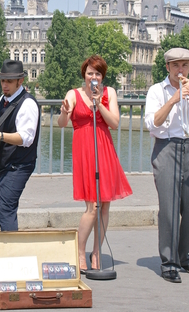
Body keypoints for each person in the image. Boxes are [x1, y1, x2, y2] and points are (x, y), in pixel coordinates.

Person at [58, 55, 132, 274]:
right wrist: (63, 112)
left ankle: (97, 251)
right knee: (92, 206)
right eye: (90, 72)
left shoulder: (109, 94)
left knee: (105, 204)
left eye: (97, 74)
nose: (93, 77)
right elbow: (62, 124)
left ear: (102, 77)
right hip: (84, 150)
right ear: (84, 74)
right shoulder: (73, 94)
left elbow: (115, 123)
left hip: (104, 148)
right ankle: (80, 252)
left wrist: (99, 104)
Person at [145, 48, 189, 283]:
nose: (181, 70)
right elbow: (152, 124)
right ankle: (169, 261)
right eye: (176, 65)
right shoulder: (156, 91)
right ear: (168, 68)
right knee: (170, 209)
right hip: (166, 148)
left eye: (185, 65)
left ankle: (183, 256)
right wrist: (174, 99)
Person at [0, 59, 40, 232]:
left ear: (20, 81)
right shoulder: (2, 100)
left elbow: (27, 138)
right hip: (7, 164)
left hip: (20, 164)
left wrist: (0, 136)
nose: (4, 85)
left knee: (5, 207)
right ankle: (9, 248)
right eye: (3, 80)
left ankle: (11, 253)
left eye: (9, 81)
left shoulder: (27, 104)